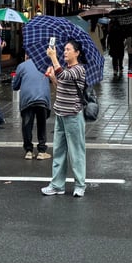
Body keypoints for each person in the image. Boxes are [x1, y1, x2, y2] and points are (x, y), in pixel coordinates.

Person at [41, 39, 88, 197]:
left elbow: (66, 76)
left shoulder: (79, 69)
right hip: (60, 113)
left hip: (73, 115)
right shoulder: (65, 68)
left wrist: (54, 59)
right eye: (64, 49)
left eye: (68, 49)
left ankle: (80, 184)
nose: (65, 52)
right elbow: (61, 85)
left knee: (76, 152)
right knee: (59, 151)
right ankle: (57, 185)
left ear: (77, 53)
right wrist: (53, 78)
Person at [12, 58, 51, 160]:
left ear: (26, 55)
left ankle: (28, 151)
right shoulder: (46, 64)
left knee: (27, 125)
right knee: (41, 124)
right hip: (42, 98)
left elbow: (15, 86)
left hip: (27, 99)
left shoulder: (22, 66)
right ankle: (42, 151)